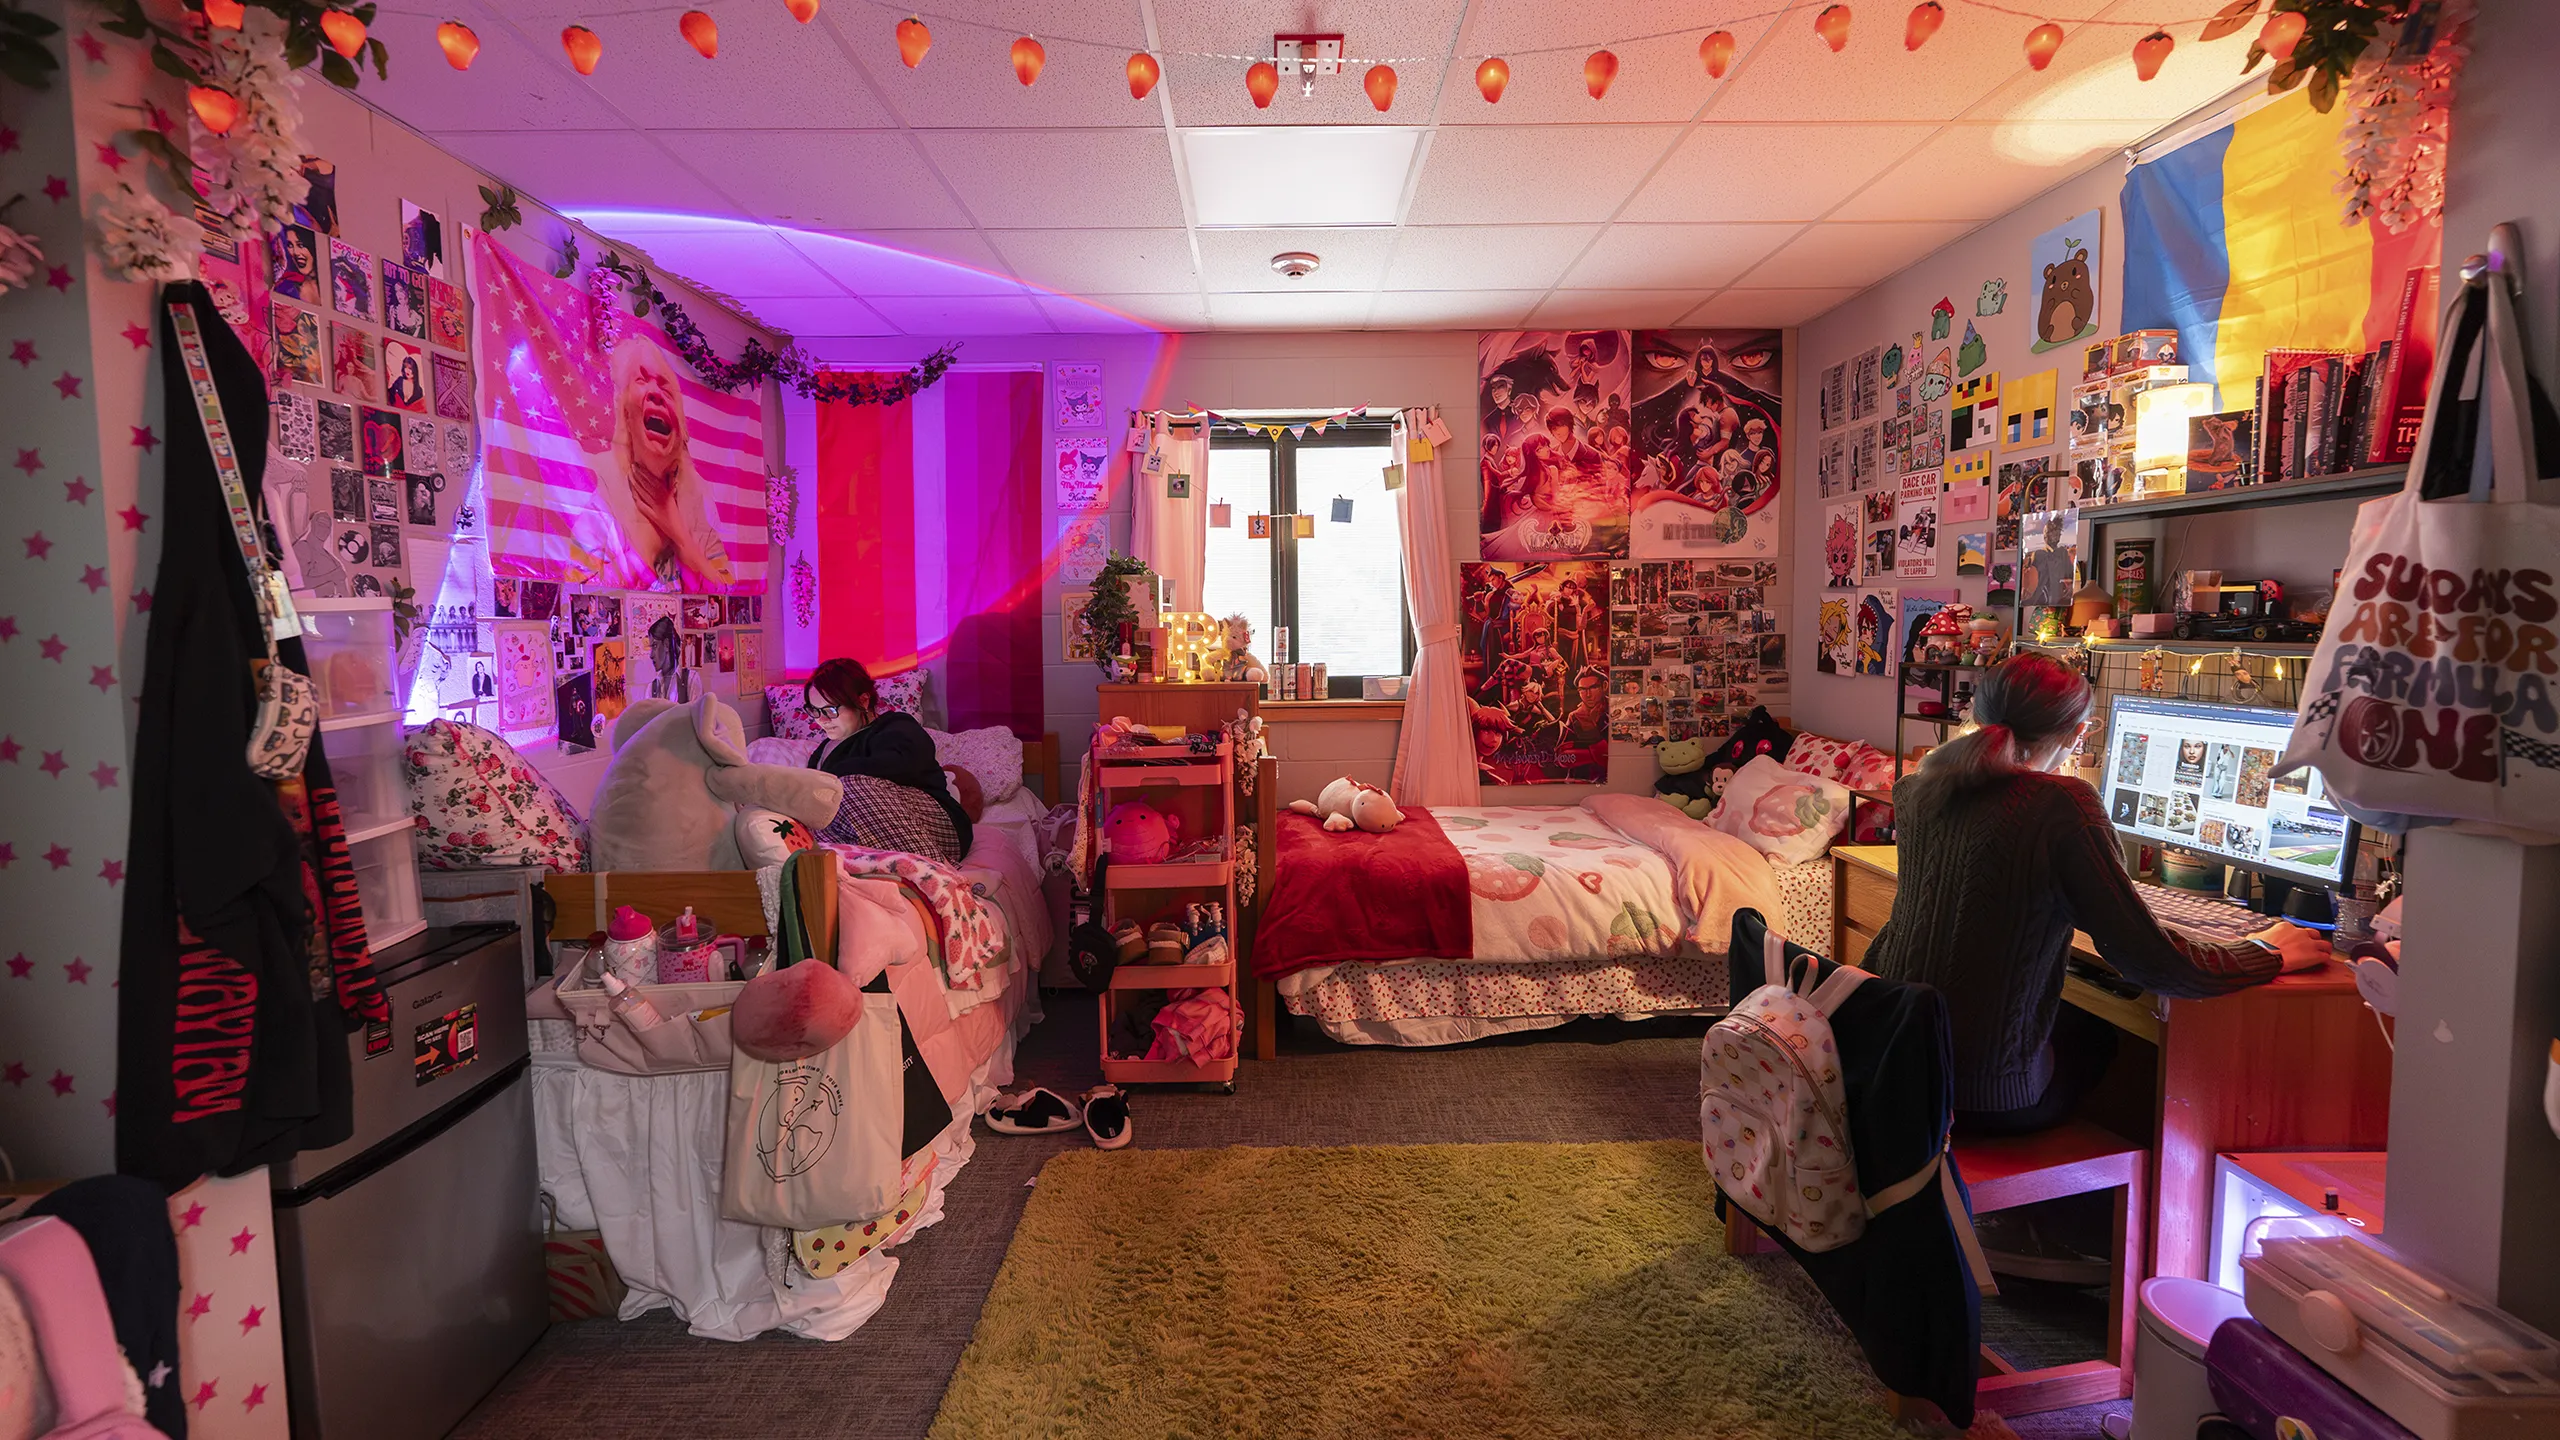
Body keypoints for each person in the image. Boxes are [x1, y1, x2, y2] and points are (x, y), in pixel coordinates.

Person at [1860, 652, 2327, 1138]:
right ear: (2078, 735)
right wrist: (2268, 952)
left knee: (2073, 1015)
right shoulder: (2060, 805)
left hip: (1893, 1065)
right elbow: (2157, 965)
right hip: (1976, 1101)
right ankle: (2079, 1201)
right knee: (2099, 1037)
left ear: (1978, 716)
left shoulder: (1918, 790)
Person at [590, 334, 732, 591]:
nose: (655, 393)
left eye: (666, 386)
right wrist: (653, 540)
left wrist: (678, 531)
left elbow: (727, 594)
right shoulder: (601, 496)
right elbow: (579, 595)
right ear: (625, 413)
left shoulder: (698, 502)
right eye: (642, 380)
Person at [802, 658, 972, 866]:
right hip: (860, 831)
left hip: (931, 826)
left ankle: (942, 873)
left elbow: (901, 765)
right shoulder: (823, 751)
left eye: (830, 710)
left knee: (846, 788)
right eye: (815, 711)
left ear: (863, 701)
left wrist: (828, 779)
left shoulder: (896, 726)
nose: (822, 720)